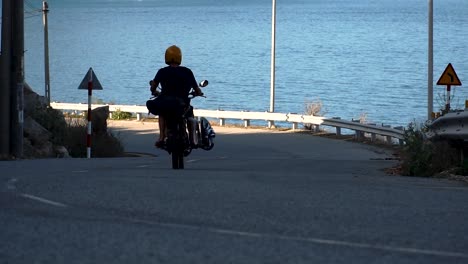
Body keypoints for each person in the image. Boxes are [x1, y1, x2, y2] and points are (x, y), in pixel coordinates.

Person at [146, 45, 203, 148]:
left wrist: (154, 91)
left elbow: (153, 86)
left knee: (162, 113)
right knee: (189, 114)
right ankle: (192, 139)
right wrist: (199, 92)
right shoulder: (187, 71)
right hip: (182, 102)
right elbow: (197, 89)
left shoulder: (162, 71)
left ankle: (161, 137)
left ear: (166, 57)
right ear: (179, 57)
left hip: (166, 102)